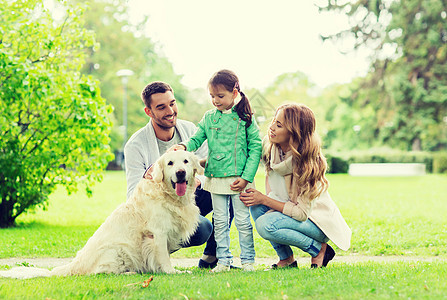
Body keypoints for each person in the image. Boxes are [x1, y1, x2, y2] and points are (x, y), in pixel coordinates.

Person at [124, 81, 231, 269]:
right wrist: (159, 181)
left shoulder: (191, 130)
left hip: (192, 193)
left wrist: (197, 180)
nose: (170, 111)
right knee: (202, 228)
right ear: (148, 111)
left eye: (172, 103)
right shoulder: (135, 145)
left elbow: (210, 168)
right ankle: (158, 251)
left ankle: (212, 257)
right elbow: (133, 194)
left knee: (226, 190)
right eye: (161, 107)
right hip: (160, 206)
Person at [239, 103, 351, 269]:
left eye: (279, 125)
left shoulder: (308, 164)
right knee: (256, 208)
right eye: (273, 121)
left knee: (266, 225)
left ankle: (319, 249)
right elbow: (247, 155)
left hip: (316, 222)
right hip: (290, 212)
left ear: (295, 133)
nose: (271, 128)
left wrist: (264, 199)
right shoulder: (271, 147)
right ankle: (286, 259)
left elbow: (301, 213)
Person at [172, 70, 262, 272]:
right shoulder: (209, 118)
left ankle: (248, 261)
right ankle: (223, 261)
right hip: (216, 179)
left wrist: (246, 178)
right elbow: (197, 138)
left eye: (220, 96)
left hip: (240, 180)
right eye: (212, 96)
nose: (215, 100)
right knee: (220, 222)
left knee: (243, 222)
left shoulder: (246, 118)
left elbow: (255, 148)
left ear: (234, 92)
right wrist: (184, 146)